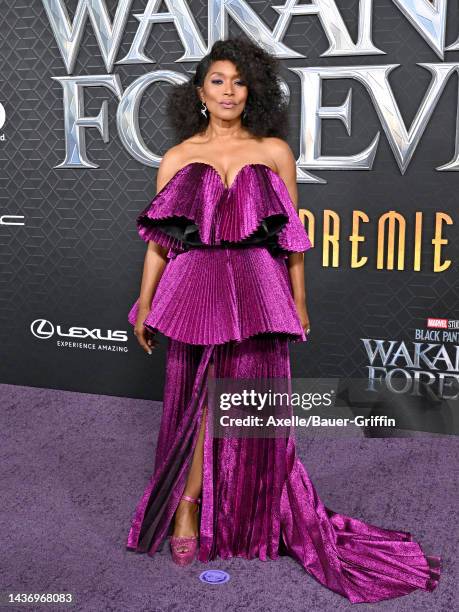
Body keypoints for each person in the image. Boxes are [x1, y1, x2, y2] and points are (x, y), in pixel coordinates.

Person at [125, 38, 441, 604]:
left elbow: (292, 240)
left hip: (257, 291)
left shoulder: (274, 151)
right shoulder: (175, 159)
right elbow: (160, 242)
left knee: (247, 406)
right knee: (196, 405)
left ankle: (246, 510)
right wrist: (145, 302)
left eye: (239, 81)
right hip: (193, 289)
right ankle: (188, 511)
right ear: (199, 92)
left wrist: (300, 301)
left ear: (253, 91)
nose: (228, 91)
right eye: (217, 80)